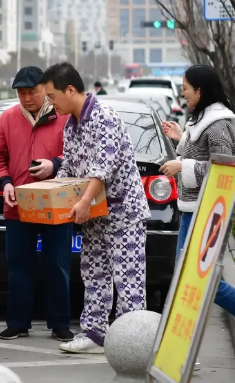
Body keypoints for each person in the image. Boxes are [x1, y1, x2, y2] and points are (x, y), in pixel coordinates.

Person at [40, 62, 150, 354]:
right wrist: (49, 196)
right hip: (94, 214)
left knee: (128, 277)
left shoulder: (104, 118)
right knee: (94, 273)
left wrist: (84, 201)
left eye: (52, 96)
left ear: (71, 90)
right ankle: (95, 334)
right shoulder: (72, 125)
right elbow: (70, 171)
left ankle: (134, 340)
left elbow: (104, 169)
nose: (49, 103)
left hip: (123, 213)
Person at [0, 66, 74, 342]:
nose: (26, 98)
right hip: (18, 206)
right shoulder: (8, 118)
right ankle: (18, 322)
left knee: (58, 265)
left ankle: (60, 323)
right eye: (21, 93)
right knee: (18, 265)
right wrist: (4, 183)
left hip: (56, 205)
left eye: (32, 92)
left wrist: (55, 164)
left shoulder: (64, 117)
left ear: (45, 90)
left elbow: (76, 153)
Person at [160, 64, 235, 323]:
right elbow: (203, 152)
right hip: (193, 210)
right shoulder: (201, 117)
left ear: (200, 90)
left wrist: (182, 165)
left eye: (185, 88)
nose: (183, 93)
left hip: (207, 212)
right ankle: (181, 350)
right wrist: (180, 138)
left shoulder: (217, 124)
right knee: (188, 279)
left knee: (201, 280)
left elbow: (226, 168)